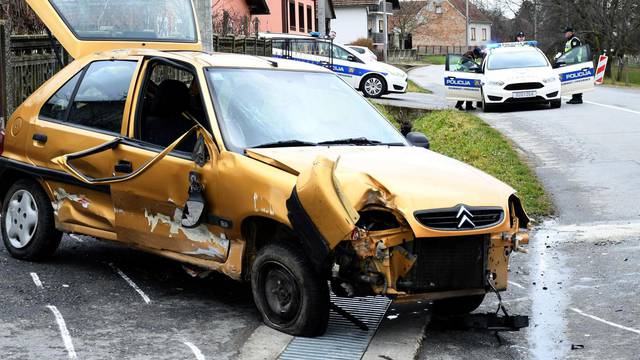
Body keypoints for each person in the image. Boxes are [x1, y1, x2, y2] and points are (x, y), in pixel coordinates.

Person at [563, 26, 583, 104]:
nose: (565, 34)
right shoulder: (569, 41)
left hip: (576, 63)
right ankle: (574, 97)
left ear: (571, 33)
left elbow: (575, 52)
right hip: (571, 64)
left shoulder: (575, 40)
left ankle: (578, 98)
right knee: (573, 81)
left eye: (566, 32)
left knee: (576, 81)